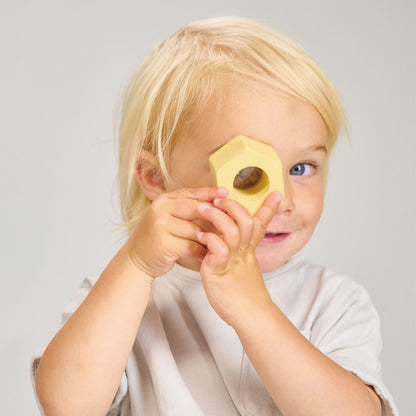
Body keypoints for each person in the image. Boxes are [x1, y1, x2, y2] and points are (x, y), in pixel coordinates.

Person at [31, 16, 399, 416]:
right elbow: (67, 406)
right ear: (156, 178)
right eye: (250, 176)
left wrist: (253, 309)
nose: (284, 200)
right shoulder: (123, 295)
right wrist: (135, 265)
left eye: (301, 168)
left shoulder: (332, 301)